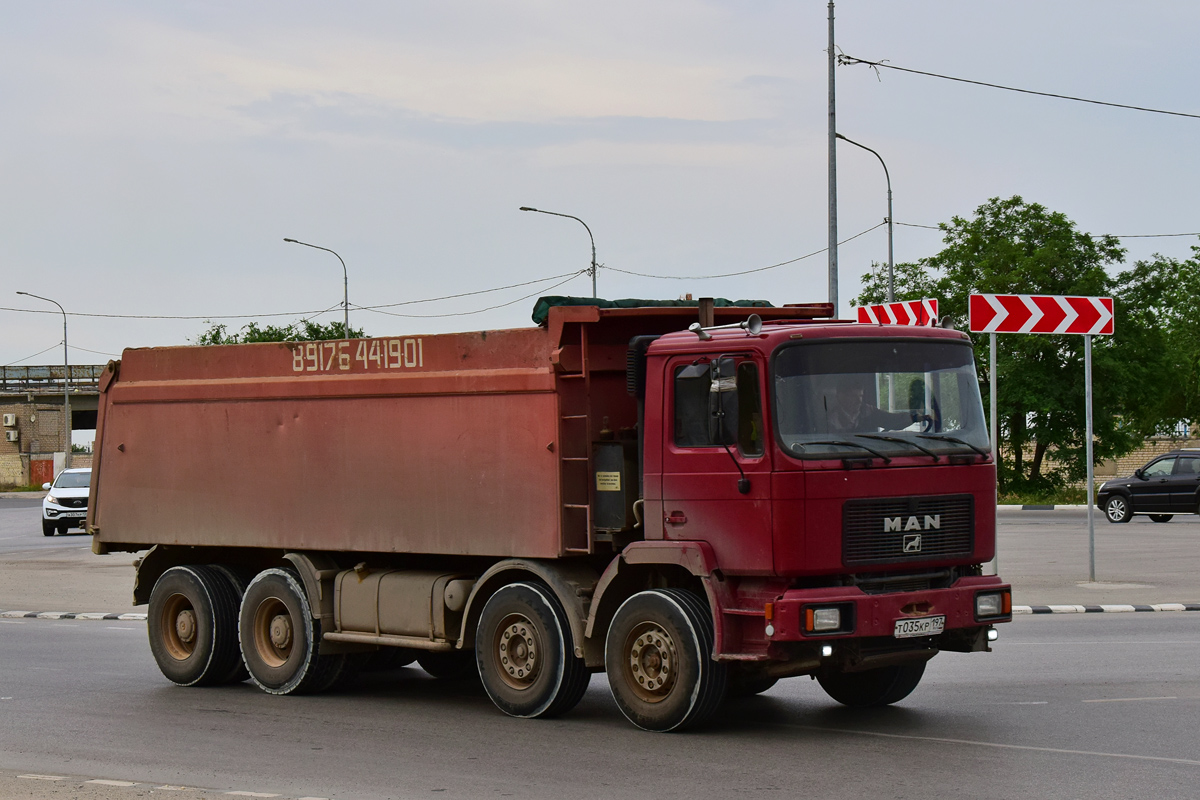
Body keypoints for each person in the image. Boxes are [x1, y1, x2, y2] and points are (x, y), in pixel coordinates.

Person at [827, 381, 917, 433]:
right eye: (854, 396)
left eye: (861, 396)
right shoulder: (830, 420)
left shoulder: (868, 412)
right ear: (841, 396)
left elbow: (892, 420)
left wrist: (914, 417)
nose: (859, 401)